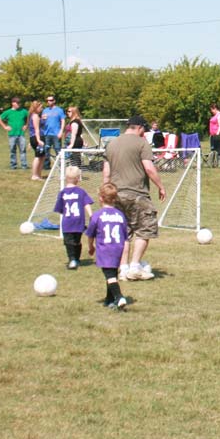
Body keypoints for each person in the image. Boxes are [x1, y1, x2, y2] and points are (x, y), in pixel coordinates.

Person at [102, 115, 166, 281]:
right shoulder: (142, 143)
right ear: (139, 127)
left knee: (124, 233)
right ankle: (135, 266)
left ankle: (123, 268)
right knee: (145, 229)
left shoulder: (111, 144)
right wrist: (161, 186)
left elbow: (106, 173)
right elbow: (149, 168)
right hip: (137, 194)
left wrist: (106, 193)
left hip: (116, 195)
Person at [85, 182, 129, 310]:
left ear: (100, 198)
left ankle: (119, 297)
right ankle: (109, 299)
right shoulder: (120, 215)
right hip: (118, 248)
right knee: (112, 274)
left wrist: (91, 247)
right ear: (114, 199)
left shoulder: (97, 216)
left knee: (109, 276)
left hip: (105, 249)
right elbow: (125, 235)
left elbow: (90, 235)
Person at [54, 166, 94, 270]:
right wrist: (91, 215)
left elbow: (59, 209)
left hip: (67, 221)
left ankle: (72, 259)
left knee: (69, 241)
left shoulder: (62, 193)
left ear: (65, 178)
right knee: (77, 240)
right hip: (79, 221)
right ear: (78, 178)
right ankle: (76, 258)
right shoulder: (81, 192)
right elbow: (87, 204)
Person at [0, 97, 29, 170]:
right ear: (13, 103)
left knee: (23, 150)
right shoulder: (8, 112)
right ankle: (13, 165)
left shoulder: (23, 111)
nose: (18, 105)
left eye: (19, 103)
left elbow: (29, 116)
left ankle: (24, 165)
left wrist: (26, 125)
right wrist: (5, 127)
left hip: (21, 134)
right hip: (12, 134)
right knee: (12, 150)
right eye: (17, 103)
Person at [40, 95, 66, 170]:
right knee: (46, 150)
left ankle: (60, 166)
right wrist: (43, 119)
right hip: (47, 133)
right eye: (47, 100)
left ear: (54, 101)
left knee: (58, 150)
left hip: (56, 133)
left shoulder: (59, 110)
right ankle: (46, 166)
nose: (49, 102)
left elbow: (63, 120)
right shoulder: (45, 110)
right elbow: (42, 121)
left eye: (51, 100)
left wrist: (61, 131)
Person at [27, 100, 45, 181]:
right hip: (37, 137)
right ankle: (34, 175)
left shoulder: (36, 116)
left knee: (42, 156)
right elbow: (36, 129)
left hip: (36, 137)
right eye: (40, 107)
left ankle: (39, 174)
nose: (41, 109)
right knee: (38, 156)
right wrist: (38, 140)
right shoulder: (35, 116)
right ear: (36, 107)